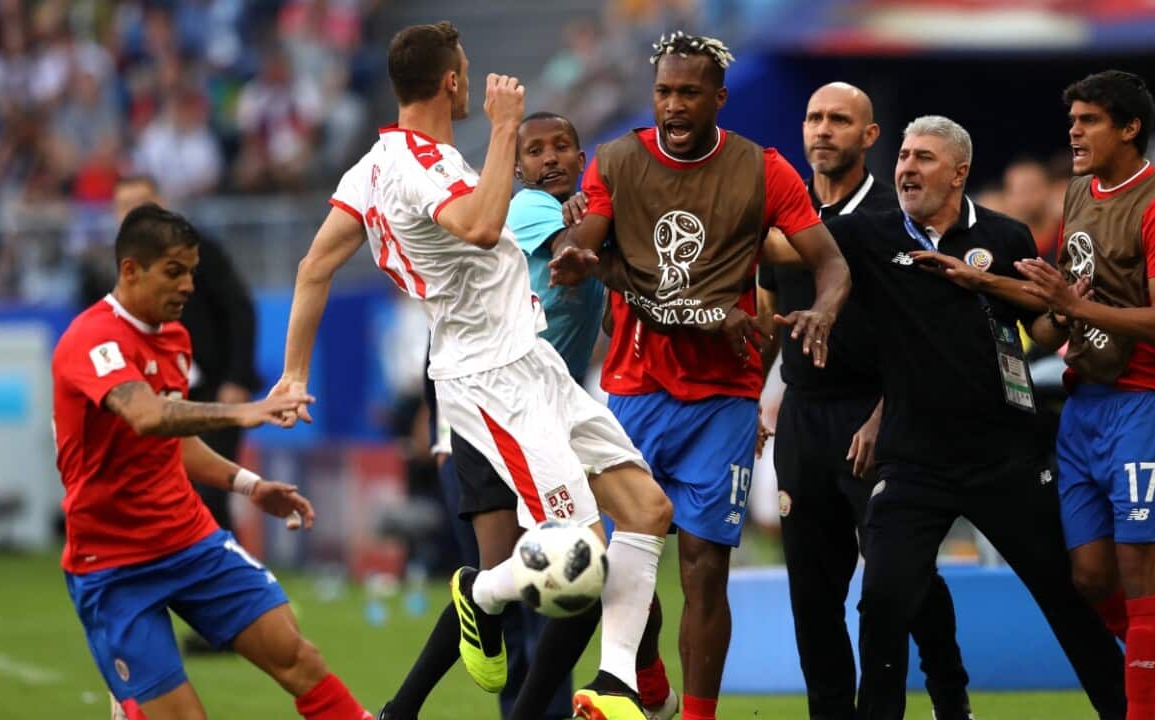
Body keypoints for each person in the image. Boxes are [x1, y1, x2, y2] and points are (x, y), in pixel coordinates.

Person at [269, 22, 672, 720]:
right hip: (491, 376)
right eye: (465, 69)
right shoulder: (420, 167)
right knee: (577, 547)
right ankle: (481, 595)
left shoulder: (371, 169)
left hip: (532, 363)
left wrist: (294, 373)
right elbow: (485, 225)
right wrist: (505, 126)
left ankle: (613, 687)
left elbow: (313, 268)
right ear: (453, 82)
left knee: (647, 510)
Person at [549, 31, 851, 720]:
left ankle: (699, 716)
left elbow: (830, 264)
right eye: (663, 92)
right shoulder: (619, 160)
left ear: (719, 97)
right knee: (622, 560)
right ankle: (646, 679)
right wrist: (573, 255)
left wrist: (824, 313)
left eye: (689, 93)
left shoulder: (763, 169)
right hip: (633, 388)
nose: (674, 106)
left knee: (705, 568)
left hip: (724, 398)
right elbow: (586, 239)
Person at [795, 115, 1128, 720]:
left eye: (923, 158)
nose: (906, 168)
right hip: (913, 459)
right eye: (902, 157)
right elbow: (785, 241)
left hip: (1007, 453)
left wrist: (1069, 312)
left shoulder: (1005, 235)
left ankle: (1123, 711)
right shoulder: (864, 234)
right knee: (884, 602)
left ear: (959, 172)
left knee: (1066, 596)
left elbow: (1042, 329)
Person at [53, 203, 373, 720]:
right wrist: (244, 410)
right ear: (131, 270)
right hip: (113, 565)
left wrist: (248, 485)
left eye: (192, 273)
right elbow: (147, 416)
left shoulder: (176, 340)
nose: (187, 287)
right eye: (174, 272)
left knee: (297, 655)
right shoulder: (92, 340)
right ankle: (133, 703)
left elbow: (173, 443)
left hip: (189, 540)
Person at [1010, 71, 1155, 720]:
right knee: (1090, 578)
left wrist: (1067, 306)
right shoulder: (1080, 192)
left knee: (1140, 579)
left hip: (1143, 402)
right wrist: (1042, 313)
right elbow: (1073, 298)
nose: (1074, 131)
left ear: (1129, 128)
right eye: (1073, 119)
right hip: (1083, 403)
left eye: (1089, 121)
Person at [755, 82, 971, 720]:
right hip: (804, 414)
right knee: (811, 591)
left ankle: (949, 697)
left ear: (870, 136)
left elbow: (924, 333)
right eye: (814, 117)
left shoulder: (894, 216)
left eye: (840, 120)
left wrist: (884, 414)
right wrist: (747, 400)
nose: (823, 130)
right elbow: (770, 315)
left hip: (881, 413)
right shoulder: (785, 210)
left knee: (900, 579)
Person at [111, 176, 261, 538]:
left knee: (209, 498)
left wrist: (237, 378)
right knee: (170, 500)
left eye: (143, 202)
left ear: (161, 202)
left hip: (211, 389)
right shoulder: (114, 273)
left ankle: (236, 584)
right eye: (126, 206)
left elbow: (239, 311)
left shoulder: (201, 252)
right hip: (157, 399)